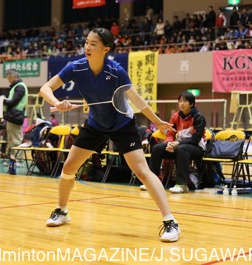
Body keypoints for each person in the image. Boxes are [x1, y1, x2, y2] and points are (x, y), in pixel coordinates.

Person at [39, 28, 180, 242]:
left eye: (93, 44)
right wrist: (57, 102)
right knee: (68, 167)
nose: (87, 47)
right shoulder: (75, 68)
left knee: (142, 171)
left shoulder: (116, 71)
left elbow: (136, 99)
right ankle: (62, 211)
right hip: (96, 124)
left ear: (105, 49)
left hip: (122, 124)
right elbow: (45, 88)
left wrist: (156, 121)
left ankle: (170, 222)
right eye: (86, 42)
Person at [141, 92, 206, 194]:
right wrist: (169, 143)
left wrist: (178, 144)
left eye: (185, 101)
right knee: (157, 148)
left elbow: (196, 138)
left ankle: (182, 184)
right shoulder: (175, 116)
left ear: (192, 104)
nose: (182, 104)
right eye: (180, 101)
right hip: (179, 147)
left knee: (182, 149)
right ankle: (152, 182)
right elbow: (170, 133)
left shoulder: (199, 117)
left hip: (196, 148)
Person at [3, 69, 28, 175]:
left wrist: (2, 100)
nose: (8, 80)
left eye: (9, 78)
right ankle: (12, 159)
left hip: (15, 116)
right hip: (11, 116)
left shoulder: (20, 87)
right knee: (11, 140)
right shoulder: (16, 87)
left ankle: (19, 160)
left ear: (14, 77)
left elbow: (13, 102)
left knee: (17, 139)